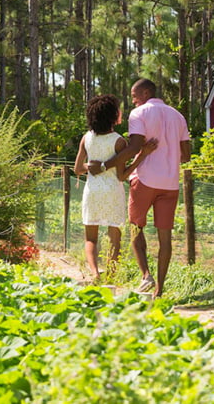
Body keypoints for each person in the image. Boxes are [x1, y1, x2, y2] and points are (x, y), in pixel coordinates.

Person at [88, 79, 190, 298]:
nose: (132, 100)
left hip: (144, 179)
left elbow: (134, 147)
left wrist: (106, 165)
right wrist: (168, 156)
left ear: (145, 93)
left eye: (134, 96)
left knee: (136, 227)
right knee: (165, 238)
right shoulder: (178, 116)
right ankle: (160, 289)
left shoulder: (139, 114)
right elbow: (187, 155)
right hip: (170, 183)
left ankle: (146, 276)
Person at [73, 95, 156, 283]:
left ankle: (95, 274)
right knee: (114, 239)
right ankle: (110, 277)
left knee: (90, 239)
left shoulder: (86, 138)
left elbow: (78, 169)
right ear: (113, 116)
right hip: (112, 191)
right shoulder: (119, 141)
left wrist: (90, 166)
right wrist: (142, 156)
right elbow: (121, 176)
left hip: (92, 191)